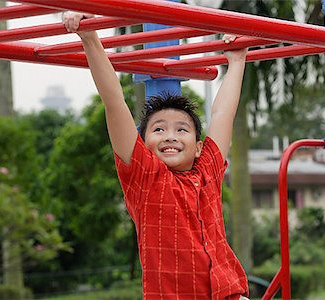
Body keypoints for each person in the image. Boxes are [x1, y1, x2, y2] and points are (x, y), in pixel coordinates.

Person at [63, 11, 249, 300]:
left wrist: (237, 61)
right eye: (159, 129)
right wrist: (90, 38)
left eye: (182, 129)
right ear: (144, 142)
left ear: (198, 147)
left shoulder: (207, 171)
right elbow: (114, 102)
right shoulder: (146, 177)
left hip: (230, 293)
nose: (170, 136)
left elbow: (224, 113)